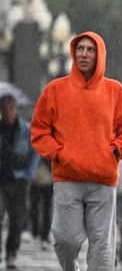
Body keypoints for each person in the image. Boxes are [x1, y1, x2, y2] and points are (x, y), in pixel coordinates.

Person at [30, 31, 122, 271]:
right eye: (80, 49)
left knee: (102, 244)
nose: (84, 54)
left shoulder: (116, 91)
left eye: (91, 49)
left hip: (103, 180)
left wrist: (113, 152)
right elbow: (39, 131)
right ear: (73, 52)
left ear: (99, 55)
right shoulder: (55, 90)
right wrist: (58, 153)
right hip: (67, 177)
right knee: (64, 240)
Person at [0, 94, 39, 269]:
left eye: (11, 108)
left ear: (15, 109)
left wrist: (29, 174)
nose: (8, 112)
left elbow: (35, 152)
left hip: (19, 179)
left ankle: (11, 253)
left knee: (17, 219)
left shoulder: (25, 130)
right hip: (2, 179)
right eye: (4, 108)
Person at [29, 157, 53, 251]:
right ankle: (39, 234)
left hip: (46, 178)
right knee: (37, 207)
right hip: (38, 178)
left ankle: (42, 235)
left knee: (42, 208)